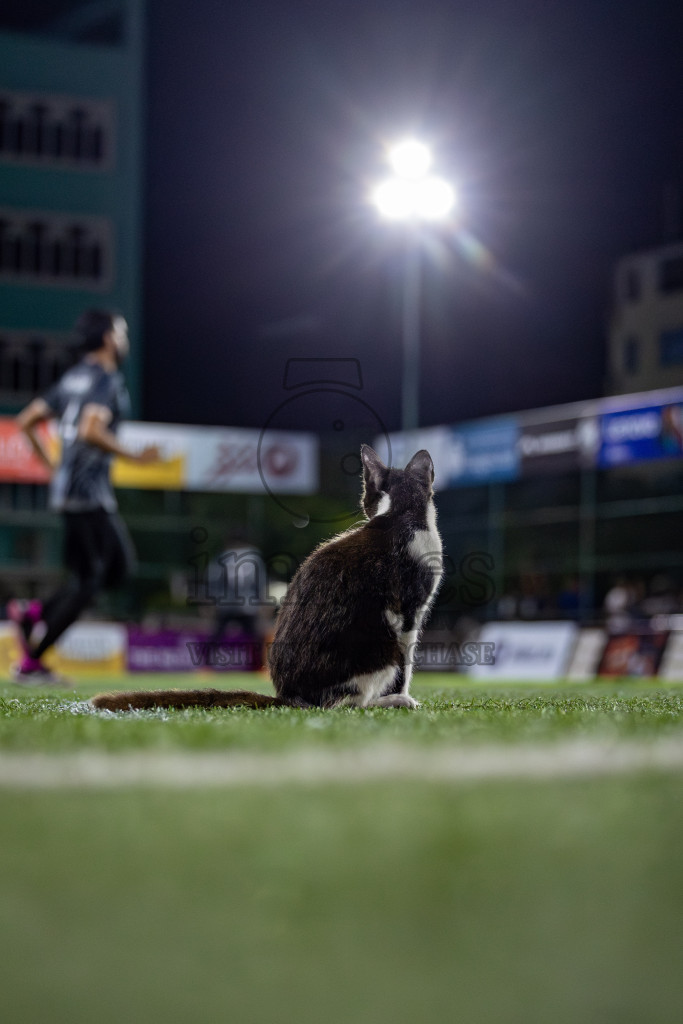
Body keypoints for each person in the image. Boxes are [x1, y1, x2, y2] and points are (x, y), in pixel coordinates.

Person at [7, 309, 159, 683]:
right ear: (108, 338)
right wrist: (135, 456)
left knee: (104, 572)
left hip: (69, 493)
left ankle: (34, 612)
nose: (123, 339)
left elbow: (25, 421)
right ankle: (32, 662)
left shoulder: (72, 378)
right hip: (87, 494)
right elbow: (92, 429)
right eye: (121, 332)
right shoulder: (106, 378)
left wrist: (52, 466)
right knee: (99, 577)